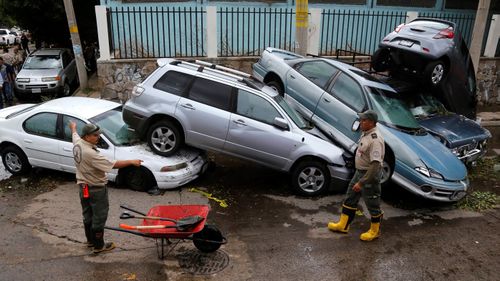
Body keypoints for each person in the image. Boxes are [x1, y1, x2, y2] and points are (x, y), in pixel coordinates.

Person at [69, 121, 143, 254]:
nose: (98, 137)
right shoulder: (91, 154)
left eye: (98, 134)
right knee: (99, 217)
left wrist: (73, 128)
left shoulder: (78, 143)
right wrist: (131, 161)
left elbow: (74, 135)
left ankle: (90, 241)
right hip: (96, 189)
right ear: (87, 137)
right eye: (95, 135)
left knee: (87, 214)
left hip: (83, 187)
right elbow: (112, 164)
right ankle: (99, 246)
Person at [327, 110, 385, 241]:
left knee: (372, 203)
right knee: (350, 197)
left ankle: (375, 231)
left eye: (364, 120)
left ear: (371, 122)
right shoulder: (366, 134)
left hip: (369, 175)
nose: (361, 122)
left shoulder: (376, 140)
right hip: (359, 172)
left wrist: (362, 182)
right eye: (361, 120)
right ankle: (343, 225)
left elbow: (375, 166)